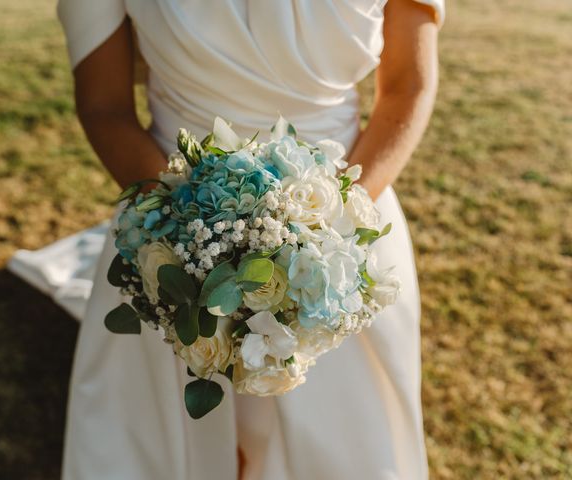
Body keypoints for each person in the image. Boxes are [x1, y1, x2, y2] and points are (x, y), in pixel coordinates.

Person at [56, 1, 444, 478]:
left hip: (346, 222)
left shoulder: (342, 226)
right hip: (170, 229)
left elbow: (409, 86)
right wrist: (192, 241)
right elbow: (104, 106)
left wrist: (331, 230)